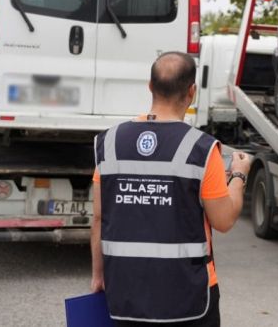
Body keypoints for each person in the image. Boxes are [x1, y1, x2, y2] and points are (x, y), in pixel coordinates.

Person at [90, 51, 251, 326]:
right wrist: (238, 176)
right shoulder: (202, 148)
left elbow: (98, 220)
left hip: (125, 292)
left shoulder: (110, 143)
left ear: (150, 86)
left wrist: (98, 276)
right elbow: (223, 220)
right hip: (189, 296)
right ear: (191, 92)